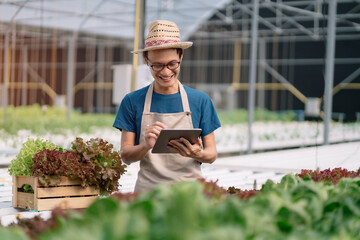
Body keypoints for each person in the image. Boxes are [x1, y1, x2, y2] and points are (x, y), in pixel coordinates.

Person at [113, 20, 221, 193]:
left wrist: (196, 154)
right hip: (148, 194)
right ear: (146, 59)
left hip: (189, 194)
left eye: (172, 64)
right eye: (157, 65)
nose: (165, 72)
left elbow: (211, 154)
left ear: (181, 56)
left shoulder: (200, 100)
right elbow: (125, 156)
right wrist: (145, 145)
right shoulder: (132, 101)